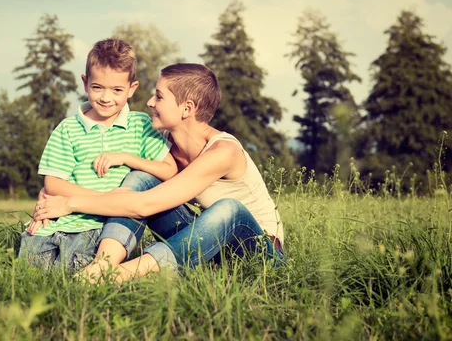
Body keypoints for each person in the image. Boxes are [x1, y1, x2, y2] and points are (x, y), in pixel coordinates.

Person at [33, 63, 285, 282]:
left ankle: (124, 274)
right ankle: (103, 265)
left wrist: (69, 203)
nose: (149, 103)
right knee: (142, 177)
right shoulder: (163, 143)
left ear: (186, 108)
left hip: (257, 251)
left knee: (229, 209)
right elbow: (130, 187)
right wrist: (52, 197)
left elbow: (144, 206)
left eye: (159, 97)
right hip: (208, 245)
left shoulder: (223, 152)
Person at [19, 39, 177, 272]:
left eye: (117, 90)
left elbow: (169, 169)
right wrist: (103, 197)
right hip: (56, 224)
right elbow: (52, 183)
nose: (105, 98)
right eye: (97, 87)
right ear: (85, 83)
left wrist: (126, 157)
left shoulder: (140, 125)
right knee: (30, 269)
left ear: (132, 89)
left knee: (79, 273)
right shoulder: (68, 128)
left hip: (99, 230)